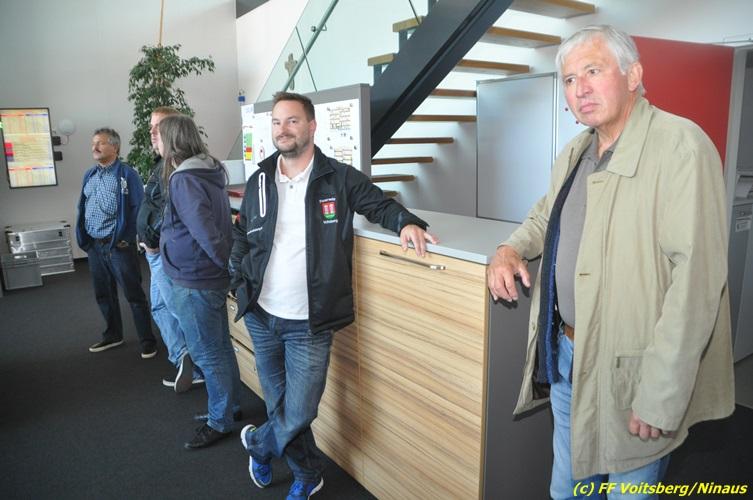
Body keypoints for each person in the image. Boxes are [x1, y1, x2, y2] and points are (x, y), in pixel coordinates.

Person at [486, 25, 735, 499]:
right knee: (568, 488)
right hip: (567, 357)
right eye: (570, 79)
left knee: (628, 490)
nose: (580, 88)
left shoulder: (681, 146)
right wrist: (508, 248)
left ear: (633, 75)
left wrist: (661, 394)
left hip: (634, 371)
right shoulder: (577, 150)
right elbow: (545, 214)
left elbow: (697, 283)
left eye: (593, 71)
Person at [231, 91, 438, 500]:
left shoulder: (339, 178)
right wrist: (236, 276)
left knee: (301, 410)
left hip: (310, 321)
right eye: (276, 122)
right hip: (261, 313)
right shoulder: (260, 179)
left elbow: (379, 205)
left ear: (311, 126)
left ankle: (258, 443)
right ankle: (308, 475)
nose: (282, 130)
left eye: (292, 121)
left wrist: (406, 223)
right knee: (278, 407)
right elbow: (242, 232)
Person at [156, 114, 242, 449]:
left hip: (196, 278)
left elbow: (205, 230)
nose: (155, 141)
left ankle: (219, 421)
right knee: (219, 346)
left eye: (158, 135)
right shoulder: (208, 169)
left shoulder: (185, 178)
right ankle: (229, 407)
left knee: (208, 353)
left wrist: (226, 266)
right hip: (206, 275)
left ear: (172, 140)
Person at [136, 106, 205, 393]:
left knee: (178, 311)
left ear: (175, 130)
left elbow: (169, 212)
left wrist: (152, 242)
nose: (153, 133)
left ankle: (198, 364)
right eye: (151, 127)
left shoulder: (178, 169)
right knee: (161, 307)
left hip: (163, 253)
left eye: (159, 127)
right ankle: (183, 357)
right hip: (154, 252)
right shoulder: (161, 164)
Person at [76, 127, 156, 358]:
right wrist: (84, 238)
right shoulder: (90, 175)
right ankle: (113, 335)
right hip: (95, 245)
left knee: (134, 295)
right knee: (103, 294)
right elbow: (83, 206)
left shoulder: (127, 174)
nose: (95, 147)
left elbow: (137, 209)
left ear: (115, 147)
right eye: (93, 143)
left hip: (118, 246)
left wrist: (125, 239)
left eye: (100, 143)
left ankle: (147, 340)